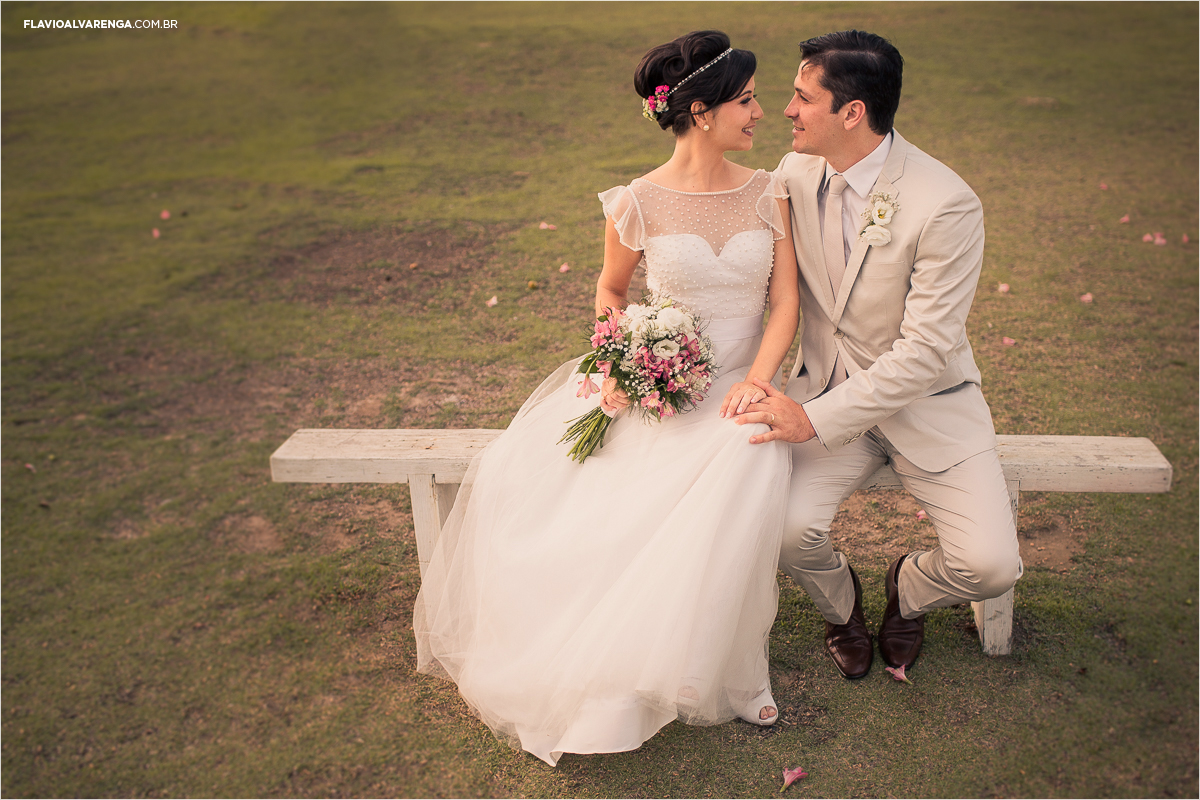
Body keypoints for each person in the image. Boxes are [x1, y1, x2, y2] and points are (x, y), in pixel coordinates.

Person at [413, 30, 800, 766]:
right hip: (661, 388)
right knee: (608, 508)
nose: (761, 113)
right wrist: (624, 360)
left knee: (744, 463)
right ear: (700, 110)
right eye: (747, 100)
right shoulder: (637, 201)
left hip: (740, 389)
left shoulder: (769, 192)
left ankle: (739, 670)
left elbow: (785, 304)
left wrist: (758, 380)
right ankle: (612, 668)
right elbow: (612, 291)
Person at [738, 30, 1022, 679]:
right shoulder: (791, 174)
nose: (787, 110)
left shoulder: (946, 202)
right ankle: (843, 608)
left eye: (802, 97)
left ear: (852, 112)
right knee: (782, 532)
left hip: (929, 407)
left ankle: (909, 588)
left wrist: (812, 420)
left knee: (991, 566)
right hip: (825, 390)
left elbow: (925, 353)